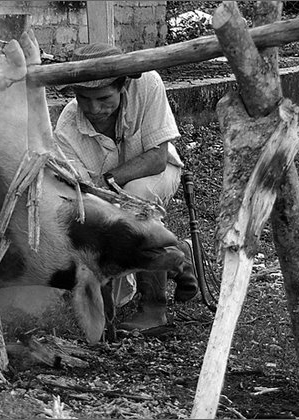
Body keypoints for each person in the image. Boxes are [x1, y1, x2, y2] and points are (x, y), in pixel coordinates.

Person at [53, 42, 199, 333]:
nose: (94, 108)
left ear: (122, 86)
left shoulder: (147, 84)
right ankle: (177, 254)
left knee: (137, 199)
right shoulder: (66, 129)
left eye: (103, 98)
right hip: (105, 196)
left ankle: (154, 308)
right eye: (83, 98)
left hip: (158, 172)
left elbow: (157, 158)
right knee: (109, 221)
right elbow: (84, 194)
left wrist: (110, 181)